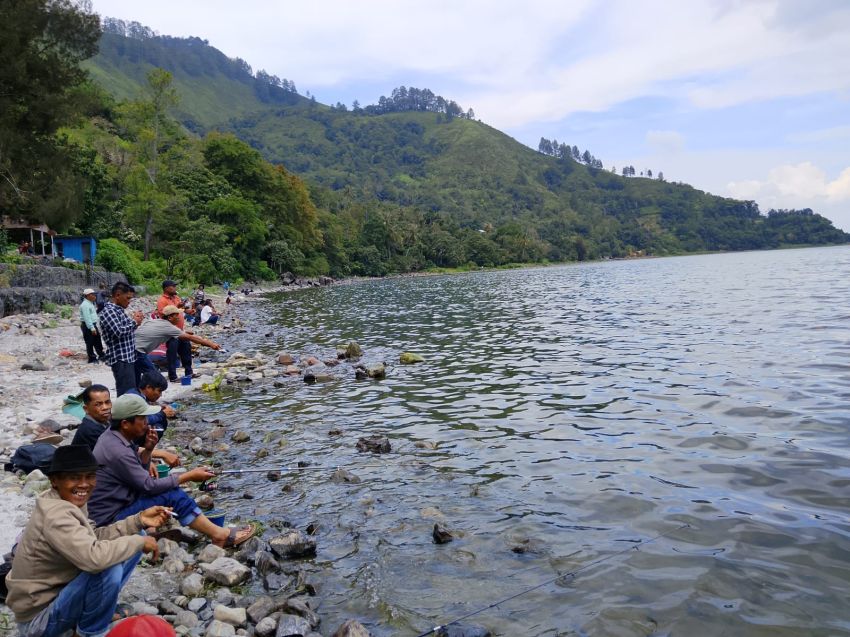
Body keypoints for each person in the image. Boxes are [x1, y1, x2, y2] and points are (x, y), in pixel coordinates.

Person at [5, 445, 169, 637]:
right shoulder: (56, 515)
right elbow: (94, 559)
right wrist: (139, 544)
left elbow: (94, 538)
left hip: (57, 597)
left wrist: (138, 520)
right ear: (54, 480)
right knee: (108, 566)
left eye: (90, 476)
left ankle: (95, 613)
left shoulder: (66, 500)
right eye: (74, 477)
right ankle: (91, 632)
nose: (84, 484)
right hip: (38, 621)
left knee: (134, 537)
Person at [88, 395, 255, 548]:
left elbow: (139, 477)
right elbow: (148, 486)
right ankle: (220, 535)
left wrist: (148, 450)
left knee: (167, 488)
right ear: (125, 423)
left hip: (121, 502)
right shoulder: (117, 451)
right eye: (142, 418)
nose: (147, 422)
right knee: (172, 494)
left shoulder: (114, 436)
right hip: (110, 521)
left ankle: (166, 528)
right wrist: (188, 476)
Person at [134, 306, 220, 382]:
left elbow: (174, 332)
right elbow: (191, 338)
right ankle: (152, 394)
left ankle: (188, 373)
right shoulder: (168, 327)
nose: (179, 318)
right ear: (170, 317)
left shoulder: (155, 321)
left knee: (137, 378)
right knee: (156, 380)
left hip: (131, 349)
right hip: (137, 352)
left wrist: (187, 332)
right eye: (177, 315)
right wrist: (210, 344)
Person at [126, 372, 179, 470]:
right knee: (158, 426)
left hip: (130, 434)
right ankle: (142, 453)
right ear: (148, 388)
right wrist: (162, 414)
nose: (160, 395)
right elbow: (143, 420)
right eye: (159, 391)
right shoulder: (135, 398)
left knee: (160, 421)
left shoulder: (136, 393)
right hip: (128, 438)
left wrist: (158, 410)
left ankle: (146, 453)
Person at [98, 282, 144, 396]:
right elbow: (119, 332)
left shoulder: (118, 310)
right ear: (118, 295)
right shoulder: (109, 311)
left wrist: (135, 321)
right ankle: (124, 414)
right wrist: (135, 322)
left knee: (132, 390)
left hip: (128, 357)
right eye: (127, 298)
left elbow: (127, 328)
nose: (129, 301)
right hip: (121, 358)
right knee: (126, 393)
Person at [156, 280, 193, 381]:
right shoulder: (162, 300)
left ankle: (189, 372)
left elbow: (180, 310)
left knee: (186, 349)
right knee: (172, 353)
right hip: (169, 331)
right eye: (173, 286)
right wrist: (177, 307)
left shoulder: (176, 297)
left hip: (180, 330)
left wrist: (188, 310)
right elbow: (163, 314)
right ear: (166, 288)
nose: (175, 288)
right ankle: (173, 376)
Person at [71, 384, 112, 451]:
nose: (105, 407)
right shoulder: (90, 430)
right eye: (98, 404)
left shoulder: (106, 419)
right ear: (86, 409)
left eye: (107, 402)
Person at [80, 288, 106, 364]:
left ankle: (101, 355)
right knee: (90, 342)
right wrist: (92, 328)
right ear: (88, 295)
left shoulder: (90, 303)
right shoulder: (85, 305)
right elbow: (87, 318)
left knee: (97, 340)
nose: (95, 296)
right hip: (88, 325)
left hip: (92, 324)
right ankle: (91, 358)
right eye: (93, 294)